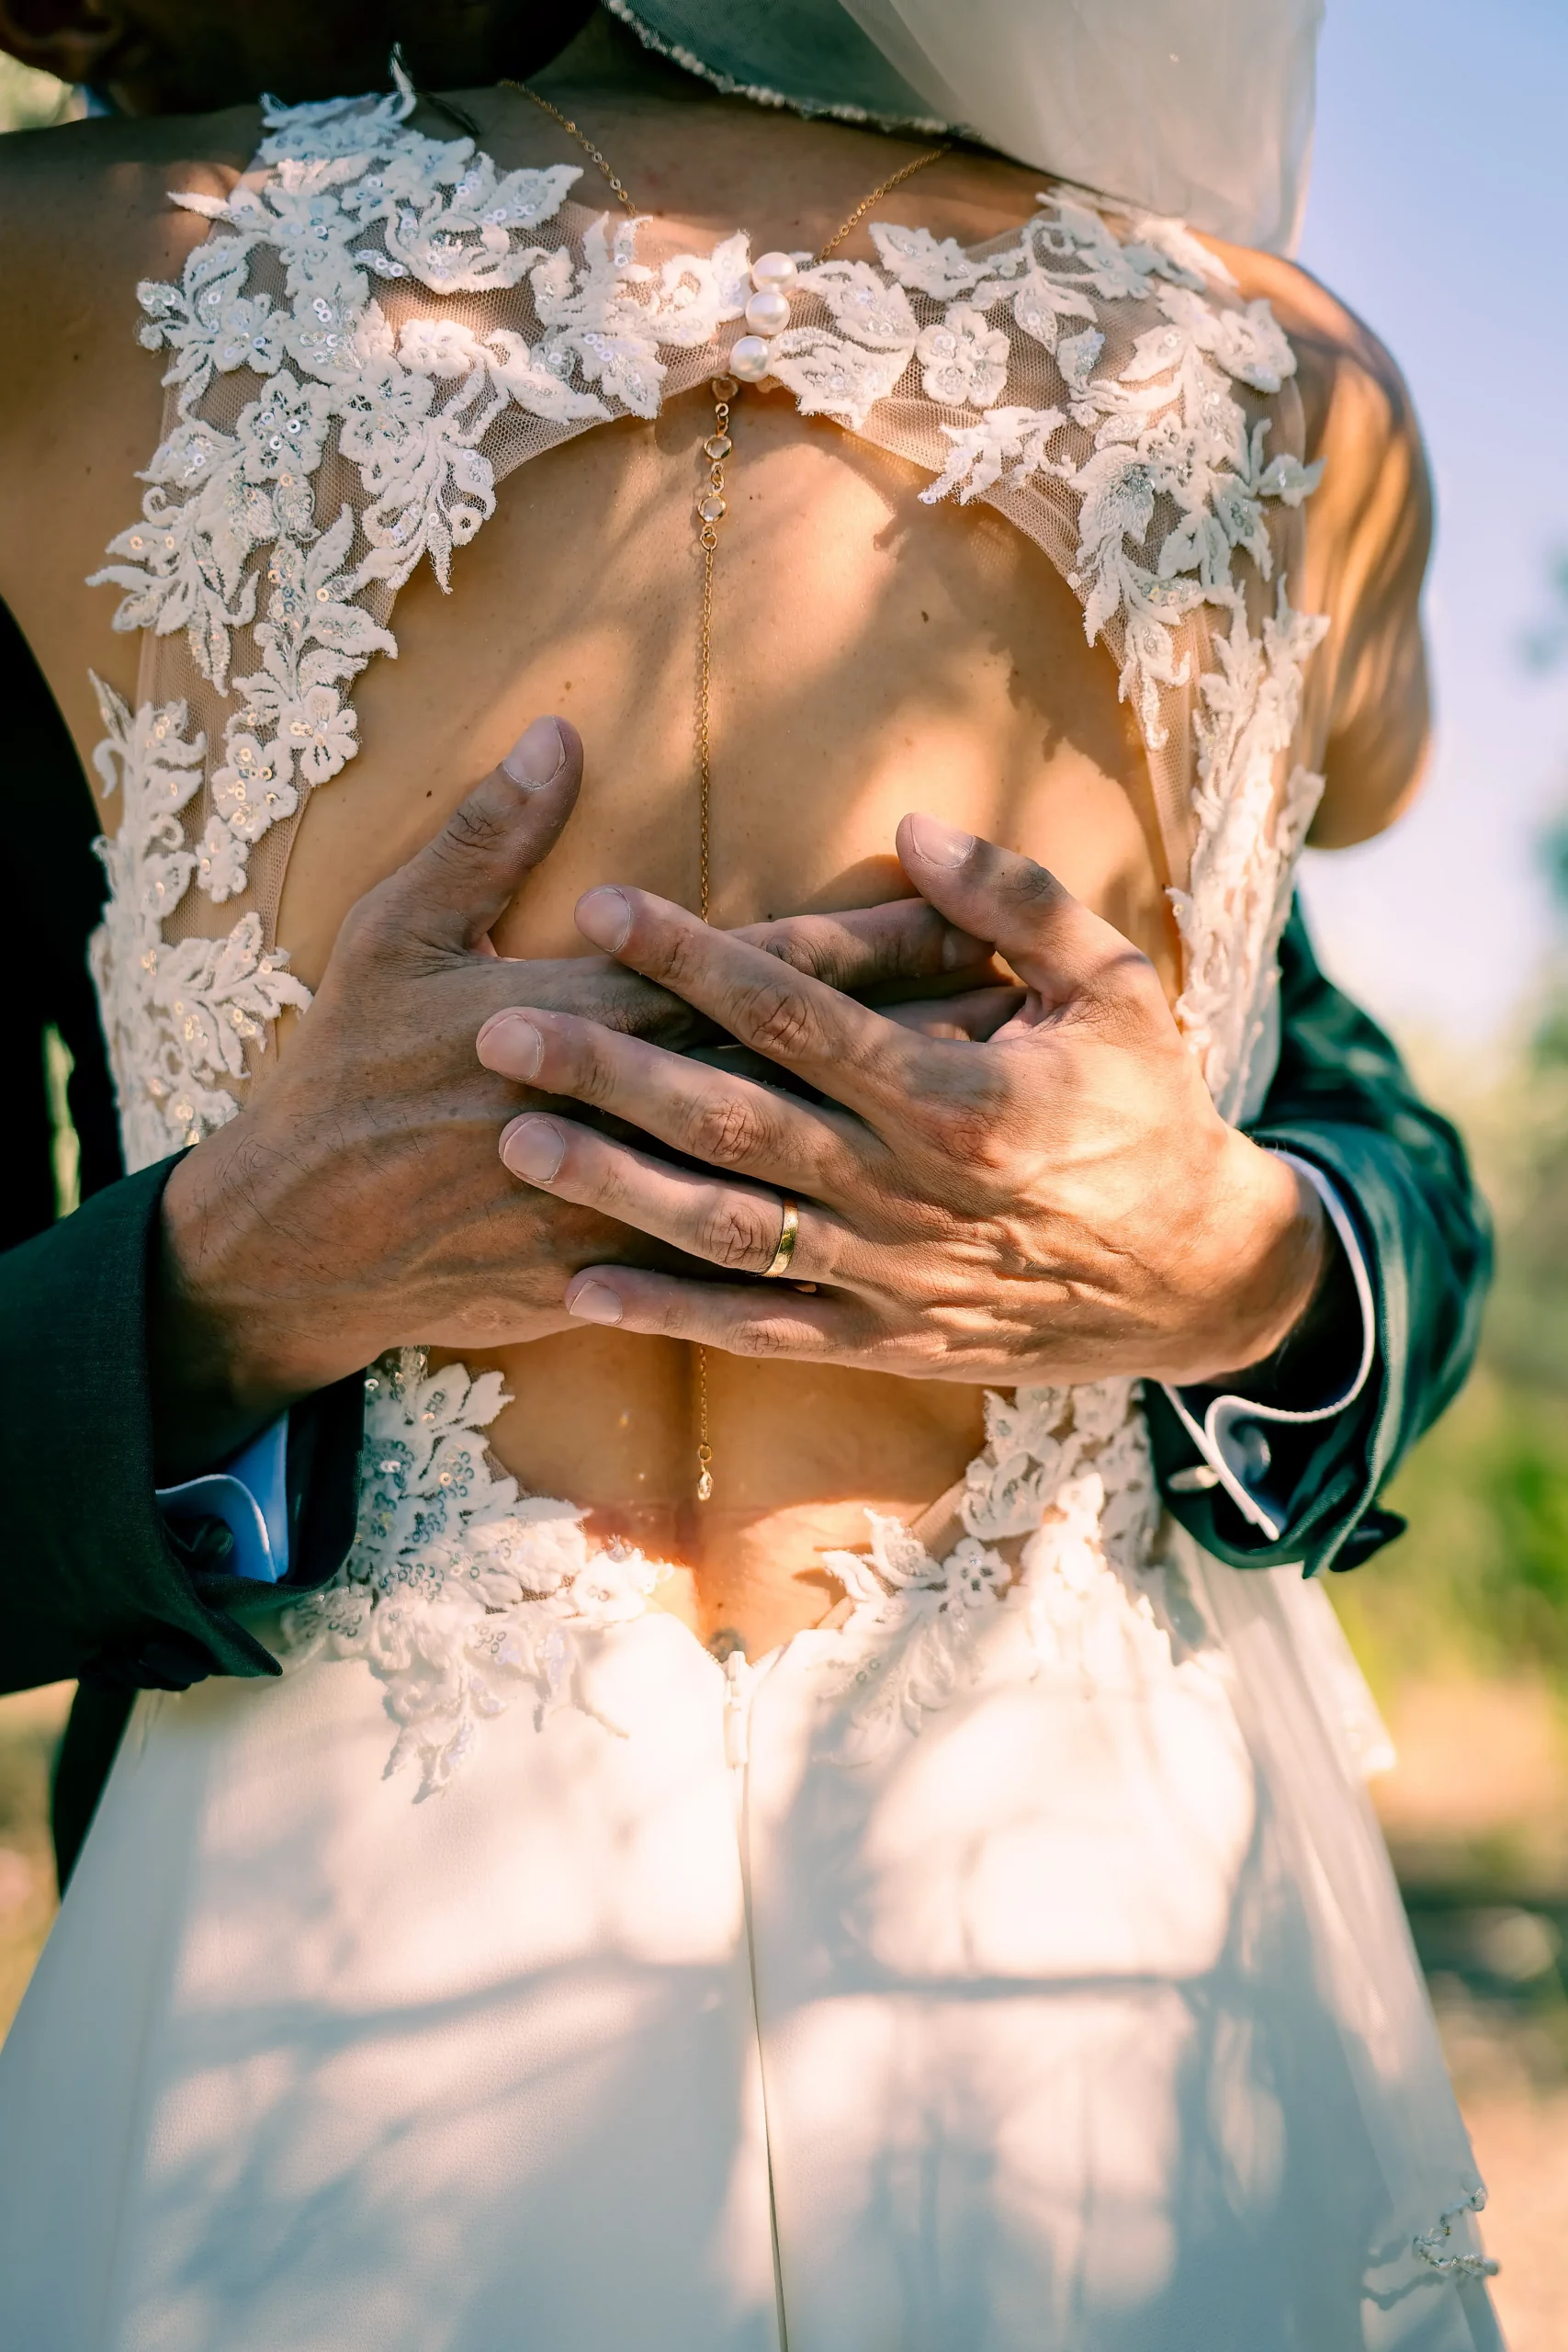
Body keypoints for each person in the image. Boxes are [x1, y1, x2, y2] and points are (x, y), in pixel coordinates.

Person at [0, 3, 1501, 2345]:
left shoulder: (54, 288)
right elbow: (1372, 772)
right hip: (1070, 1904)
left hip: (354, 1917)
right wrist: (207, 1283)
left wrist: (1238, 1261)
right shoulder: (1281, 389)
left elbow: (1361, 1147)